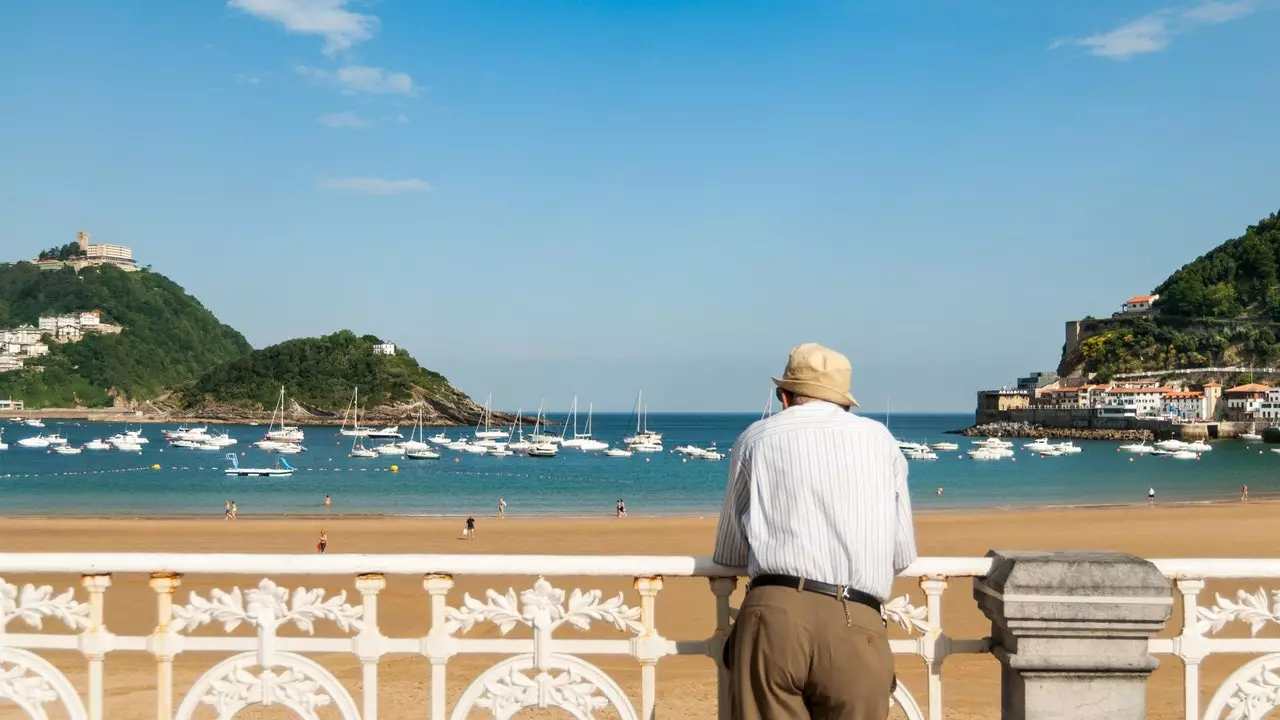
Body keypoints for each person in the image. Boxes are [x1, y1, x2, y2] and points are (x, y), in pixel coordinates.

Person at [714, 343, 916, 720]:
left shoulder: (755, 438)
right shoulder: (880, 441)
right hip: (856, 618)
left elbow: (727, 552)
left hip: (774, 614)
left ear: (786, 397)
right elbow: (902, 554)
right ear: (844, 402)